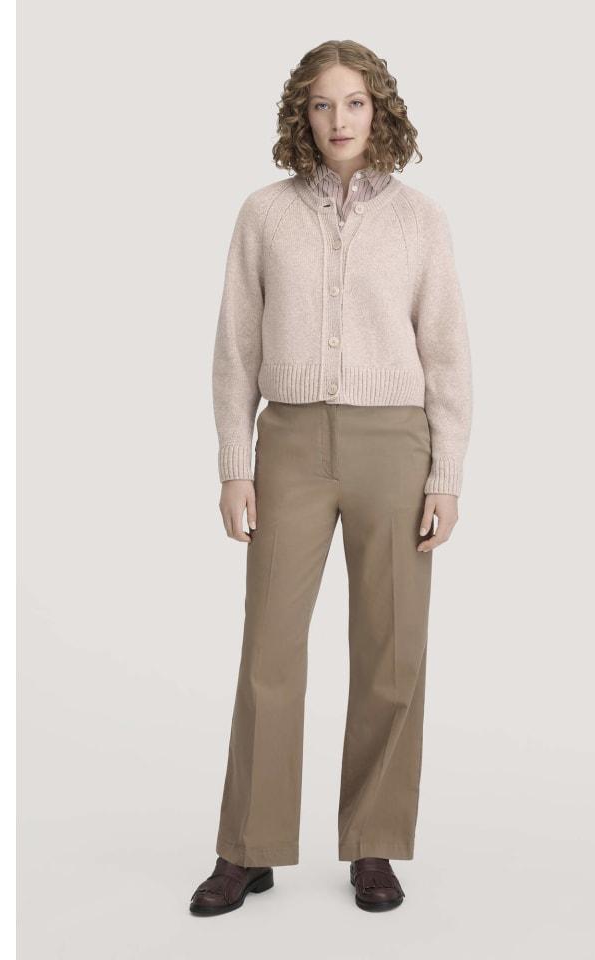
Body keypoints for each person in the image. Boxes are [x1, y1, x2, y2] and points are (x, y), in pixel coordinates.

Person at [189, 39, 473, 916]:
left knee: (391, 650)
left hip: (397, 446)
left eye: (353, 102)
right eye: (321, 104)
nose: (338, 120)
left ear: (378, 110)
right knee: (269, 649)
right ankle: (249, 848)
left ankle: (374, 844)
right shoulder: (263, 214)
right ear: (301, 116)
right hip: (292, 445)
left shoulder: (420, 220)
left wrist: (446, 474)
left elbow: (447, 352)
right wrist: (236, 463)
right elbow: (236, 347)